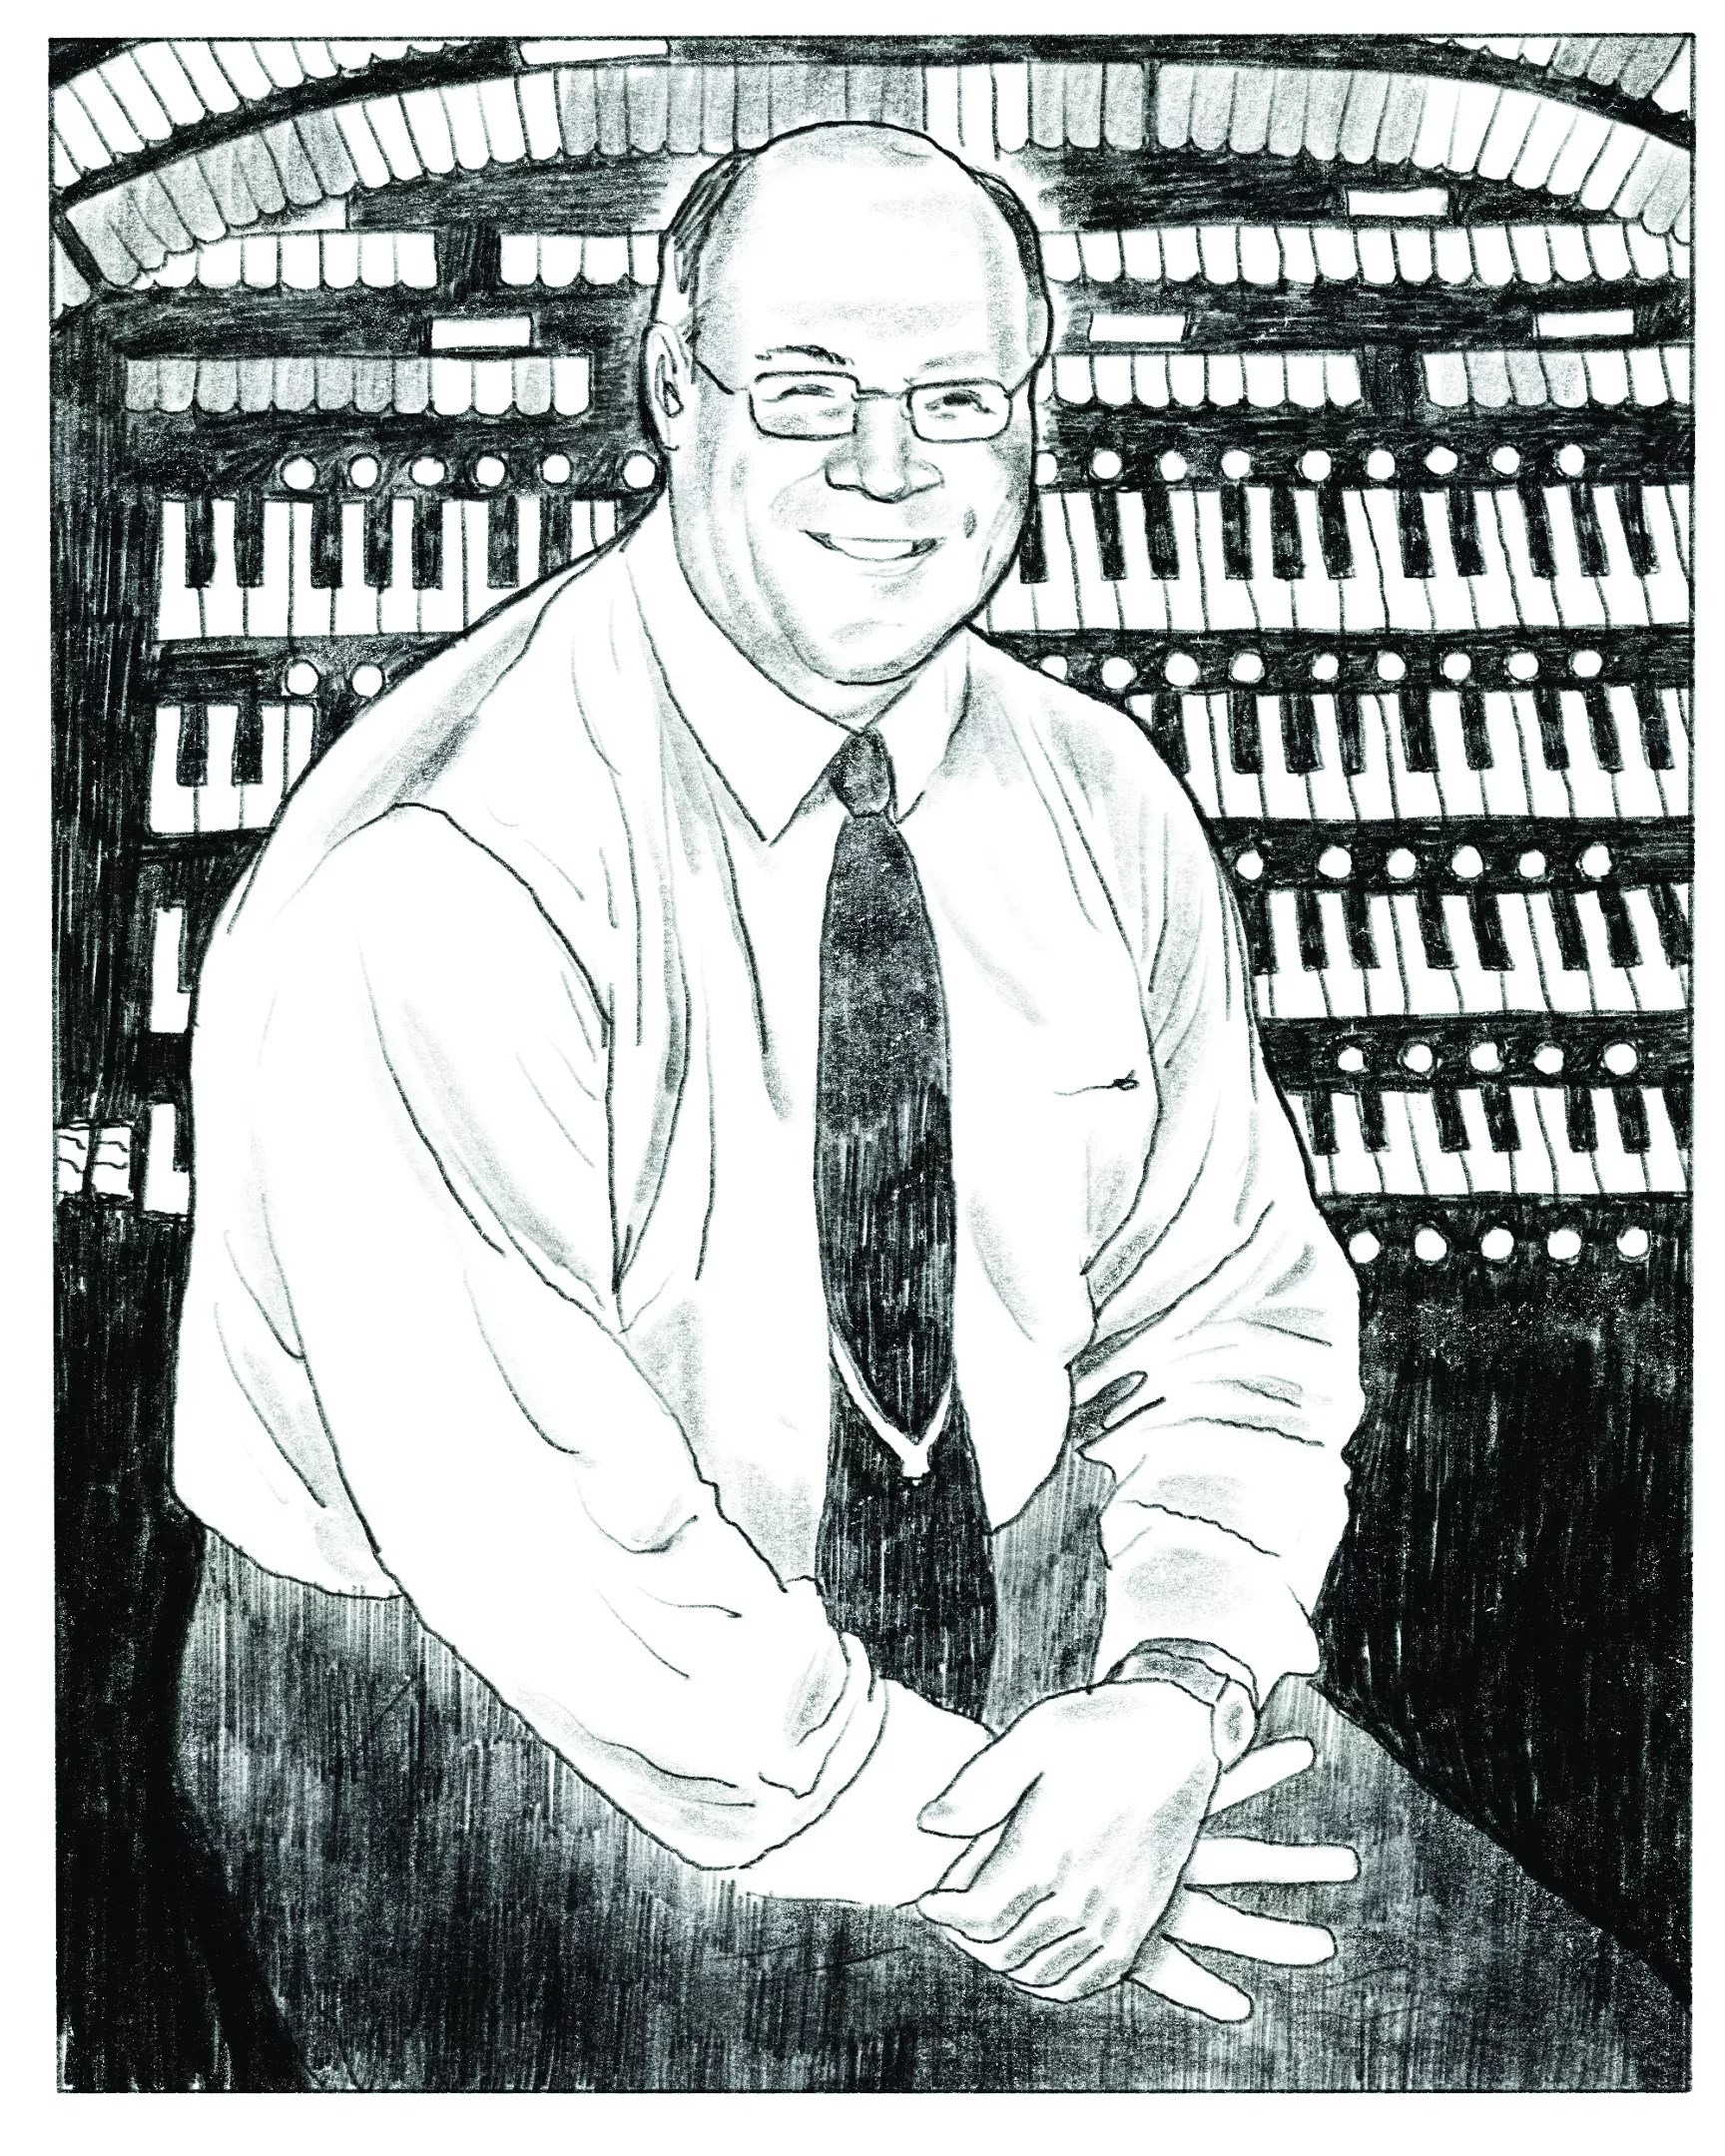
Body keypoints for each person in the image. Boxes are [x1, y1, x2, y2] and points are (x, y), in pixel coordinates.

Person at [170, 123, 1366, 2087]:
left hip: (1025, 1672)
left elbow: (1231, 1298)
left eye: (957, 401)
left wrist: (1178, 1684)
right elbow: (545, 1541)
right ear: (673, 387)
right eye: (808, 394)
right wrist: (996, 1838)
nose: (889, 471)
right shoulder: (451, 868)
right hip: (470, 1749)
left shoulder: (1098, 795)